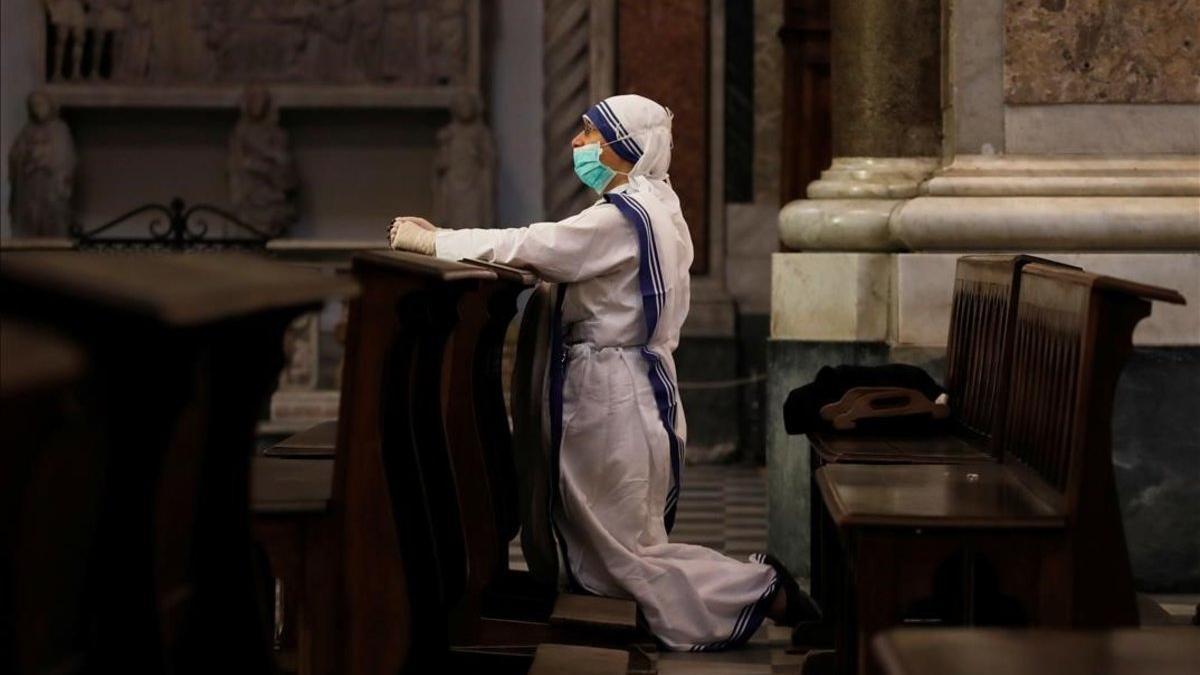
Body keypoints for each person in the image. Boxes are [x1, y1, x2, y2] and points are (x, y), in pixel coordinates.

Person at [387, 94, 819, 650]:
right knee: (618, 547)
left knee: (623, 557)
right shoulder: (654, 204)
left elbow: (535, 245)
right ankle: (708, 598)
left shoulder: (628, 216)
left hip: (613, 395)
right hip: (620, 389)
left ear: (626, 145)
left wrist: (437, 240)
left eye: (589, 134)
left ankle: (759, 590)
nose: (576, 144)